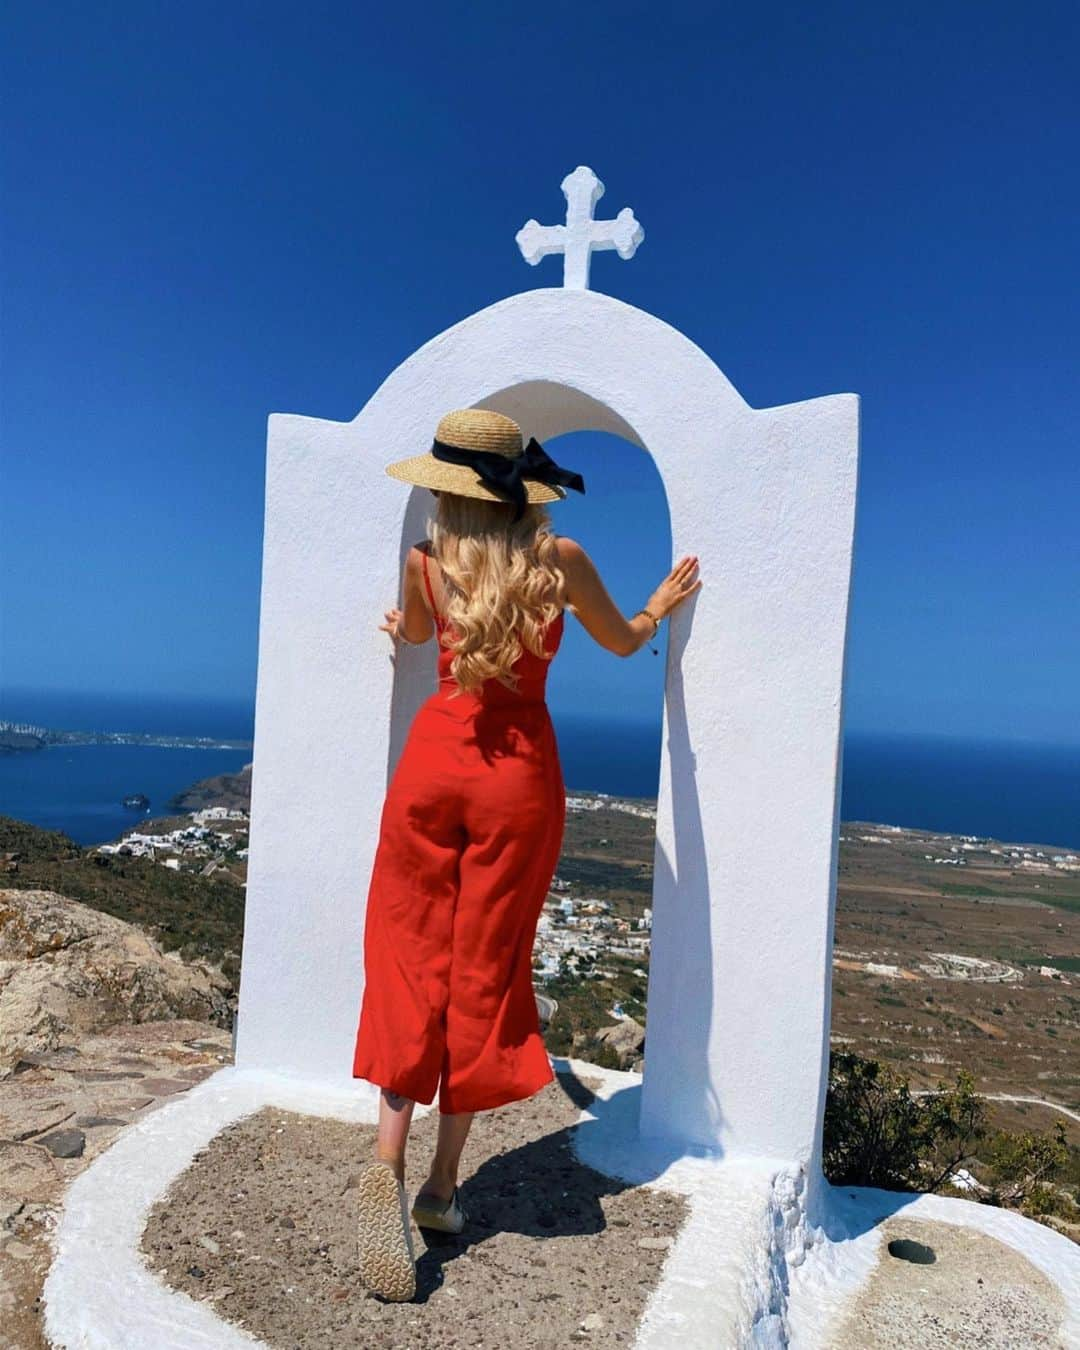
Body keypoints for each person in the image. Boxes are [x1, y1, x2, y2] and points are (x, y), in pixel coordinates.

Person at [351, 407, 701, 1301]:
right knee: (484, 970)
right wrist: (658, 608)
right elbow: (623, 640)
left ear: (450, 491)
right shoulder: (561, 562)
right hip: (518, 779)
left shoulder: (426, 562)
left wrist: (404, 624)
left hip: (432, 766)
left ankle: (383, 1165)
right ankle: (440, 1187)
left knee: (407, 960)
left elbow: (427, 641)